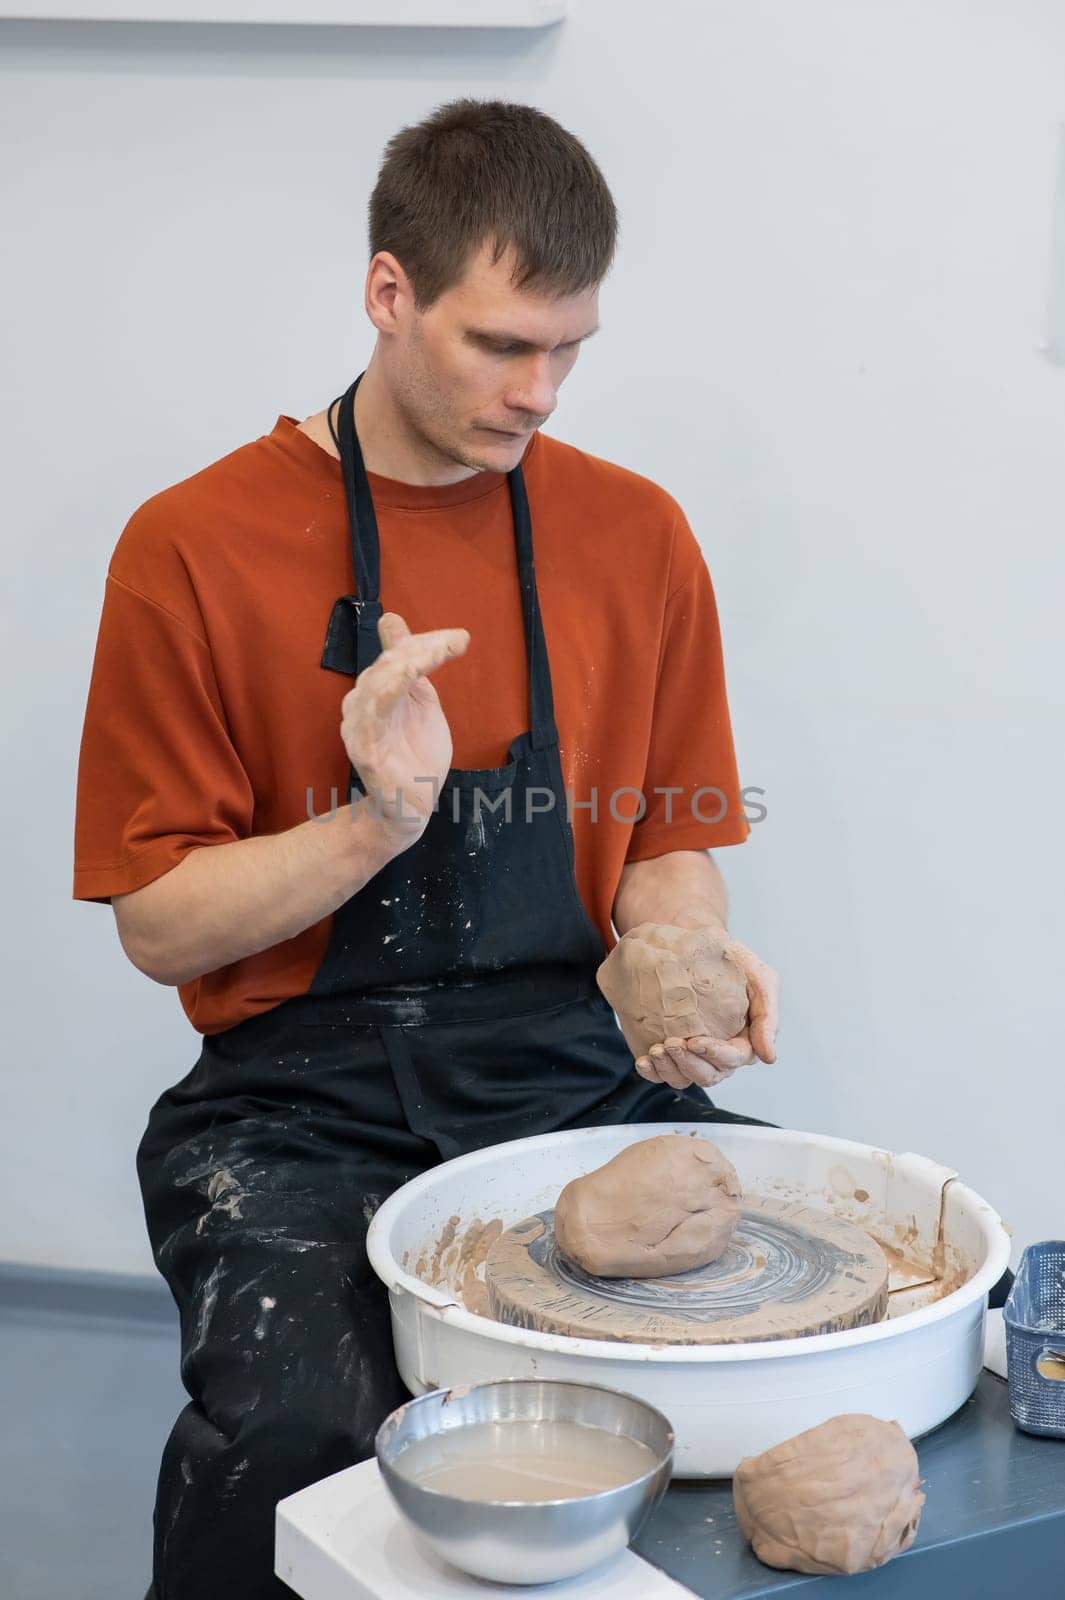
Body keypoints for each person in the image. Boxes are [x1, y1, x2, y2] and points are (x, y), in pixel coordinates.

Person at [73, 97, 779, 1600]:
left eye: (570, 346)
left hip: (571, 1071)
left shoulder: (635, 534)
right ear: (389, 294)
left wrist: (678, 952)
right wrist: (374, 821)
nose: (541, 392)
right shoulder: (192, 545)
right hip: (294, 1107)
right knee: (303, 1433)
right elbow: (158, 925)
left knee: (771, 1353)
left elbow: (667, 839)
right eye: (500, 345)